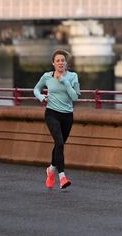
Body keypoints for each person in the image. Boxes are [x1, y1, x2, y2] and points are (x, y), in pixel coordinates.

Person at [33, 49, 80, 189]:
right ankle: (62, 177)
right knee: (59, 142)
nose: (60, 63)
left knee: (59, 145)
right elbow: (36, 89)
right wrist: (41, 97)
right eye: (58, 60)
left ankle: (51, 169)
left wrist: (65, 82)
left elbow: (75, 97)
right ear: (53, 63)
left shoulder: (73, 76)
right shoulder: (47, 76)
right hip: (52, 113)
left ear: (66, 63)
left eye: (63, 60)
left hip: (67, 115)